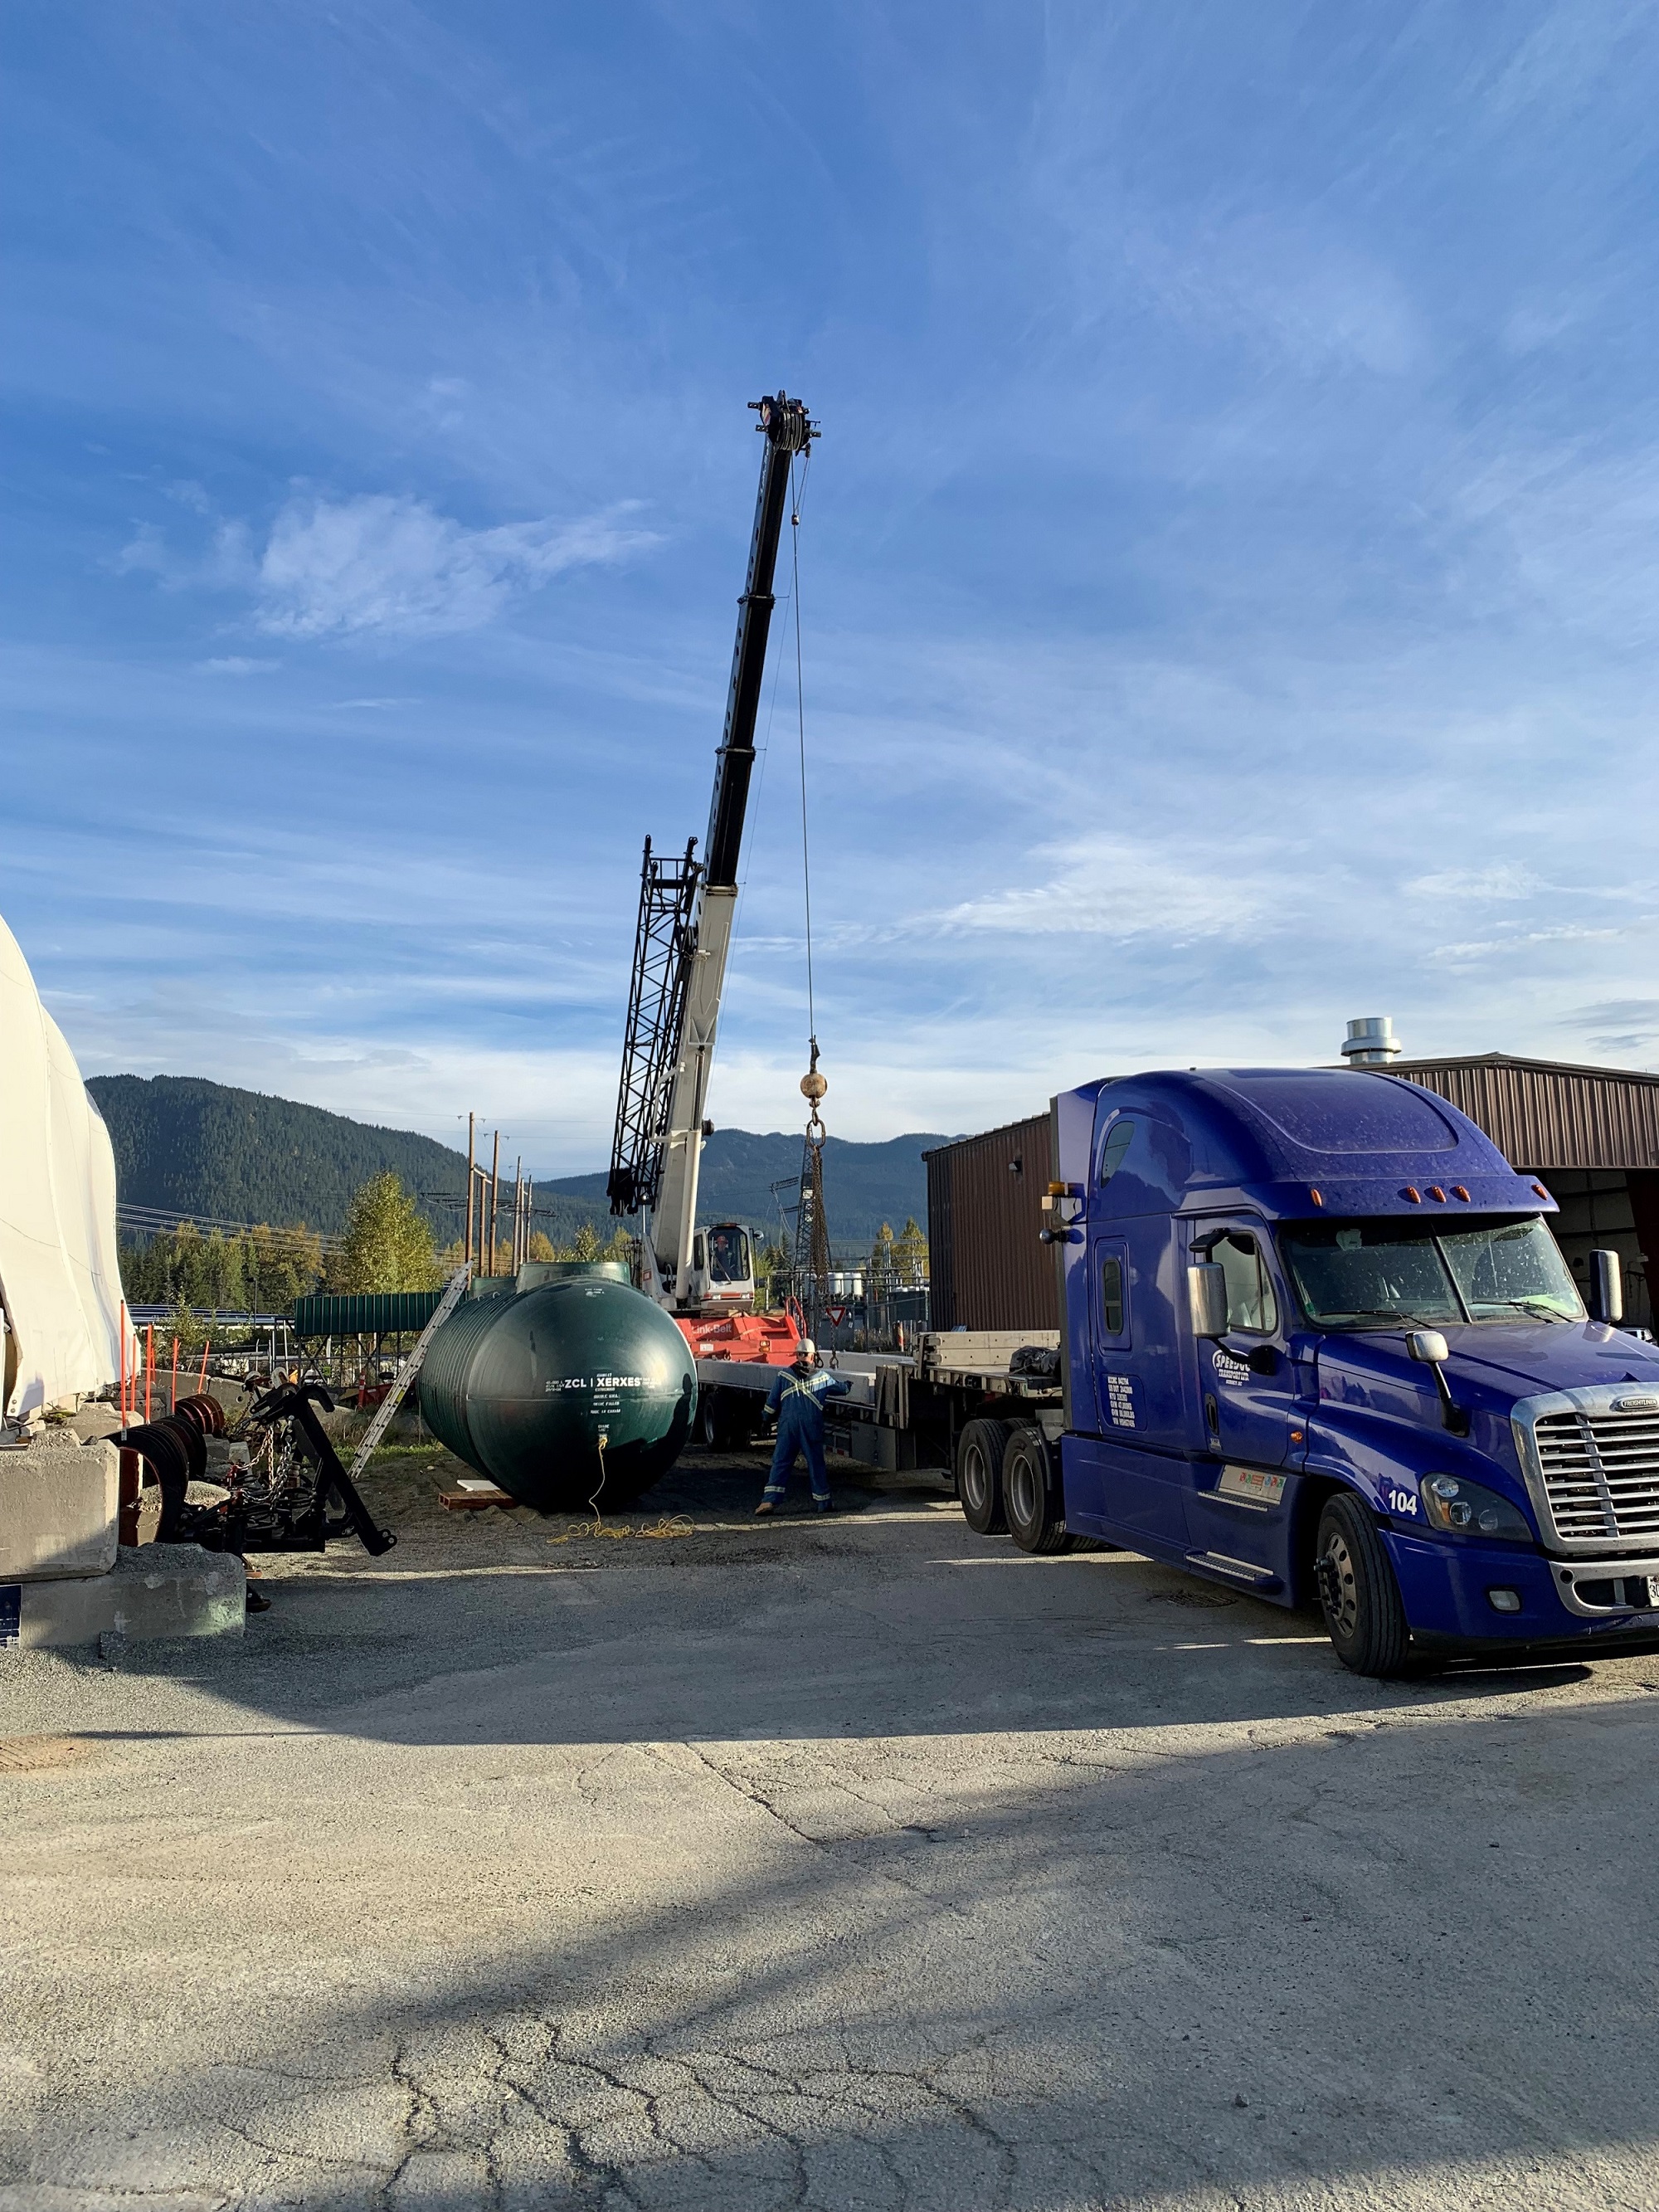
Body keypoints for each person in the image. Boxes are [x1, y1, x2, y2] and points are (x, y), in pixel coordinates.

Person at [756, 1338, 851, 1515]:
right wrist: (848, 1384)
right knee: (815, 1463)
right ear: (813, 1356)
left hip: (788, 1427)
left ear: (797, 1355)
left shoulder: (783, 1376)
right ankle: (823, 1503)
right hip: (811, 1426)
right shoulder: (823, 1378)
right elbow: (842, 1389)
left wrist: (765, 1420)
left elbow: (771, 1403)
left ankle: (768, 1502)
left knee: (781, 1462)